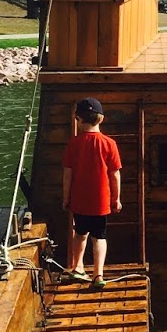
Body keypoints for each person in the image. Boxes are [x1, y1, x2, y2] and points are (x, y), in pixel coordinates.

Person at [61, 96, 122, 287]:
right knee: (99, 237)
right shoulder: (109, 144)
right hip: (101, 201)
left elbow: (67, 174)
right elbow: (115, 175)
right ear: (101, 119)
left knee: (80, 233)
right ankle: (98, 275)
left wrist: (66, 198)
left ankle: (78, 267)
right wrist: (116, 198)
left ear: (78, 119)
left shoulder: (74, 143)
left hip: (79, 199)